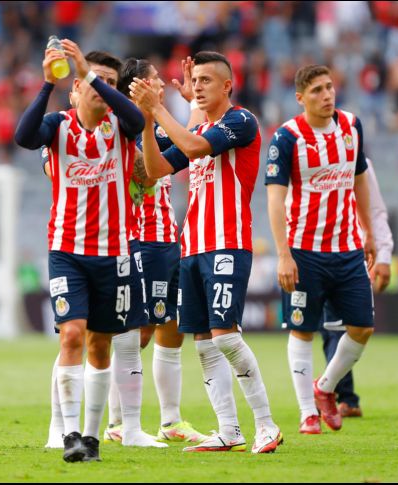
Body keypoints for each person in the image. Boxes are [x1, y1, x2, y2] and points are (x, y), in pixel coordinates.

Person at [132, 51, 282, 454]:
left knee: (225, 337)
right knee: (203, 342)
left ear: (227, 85)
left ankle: (266, 425)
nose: (197, 87)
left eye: (206, 81)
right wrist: (146, 120)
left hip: (227, 243)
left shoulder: (241, 121)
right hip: (193, 247)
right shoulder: (199, 126)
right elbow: (154, 171)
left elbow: (196, 147)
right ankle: (229, 430)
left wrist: (159, 108)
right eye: (194, 80)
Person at [15, 41, 148, 462]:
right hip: (67, 251)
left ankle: (90, 438)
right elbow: (22, 136)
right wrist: (45, 84)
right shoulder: (58, 126)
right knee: (72, 334)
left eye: (109, 81)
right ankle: (70, 434)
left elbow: (138, 118)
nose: (100, 87)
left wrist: (89, 73)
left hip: (115, 253)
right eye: (93, 79)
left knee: (101, 347)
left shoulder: (121, 126)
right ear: (75, 86)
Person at [264, 64, 376, 435]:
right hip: (304, 251)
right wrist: (283, 254)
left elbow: (360, 180)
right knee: (302, 331)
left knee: (362, 327)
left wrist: (368, 231)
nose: (326, 95)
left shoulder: (352, 126)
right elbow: (275, 199)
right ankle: (306, 413)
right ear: (300, 98)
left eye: (329, 87)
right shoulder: (287, 138)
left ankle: (325, 388)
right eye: (316, 90)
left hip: (348, 248)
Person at [102, 57, 206, 446]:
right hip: (139, 238)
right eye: (155, 80)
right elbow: (145, 173)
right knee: (138, 331)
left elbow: (193, 142)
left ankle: (171, 420)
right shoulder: (124, 130)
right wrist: (149, 119)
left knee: (171, 326)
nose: (163, 84)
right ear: (138, 88)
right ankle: (116, 421)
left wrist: (192, 102)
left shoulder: (158, 126)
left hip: (166, 237)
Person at [320, 158, 393, 418]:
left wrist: (384, 255)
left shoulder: (359, 161)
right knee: (327, 329)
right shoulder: (300, 148)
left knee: (341, 328)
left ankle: (333, 394)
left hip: (350, 255)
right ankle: (338, 396)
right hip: (312, 252)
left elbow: (375, 210)